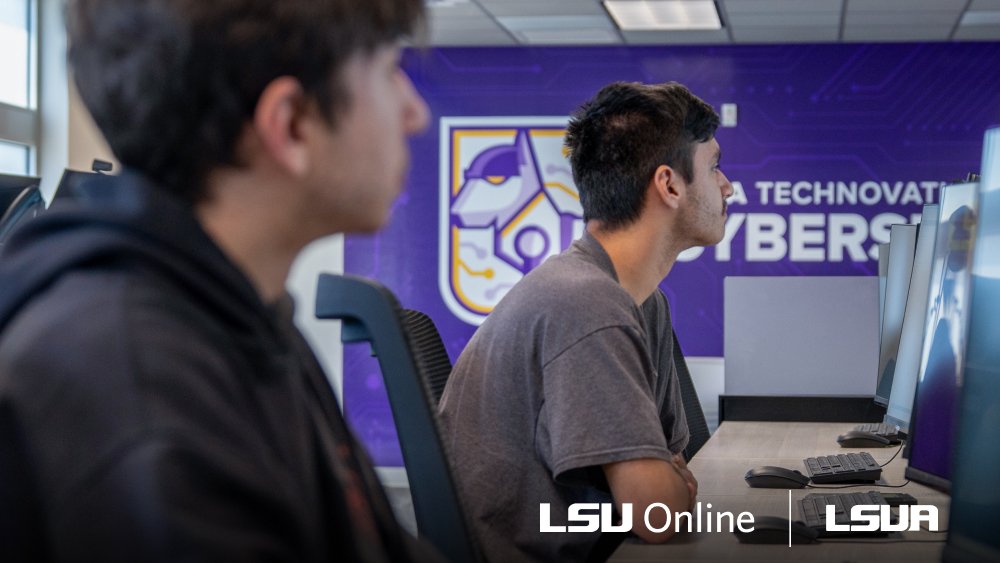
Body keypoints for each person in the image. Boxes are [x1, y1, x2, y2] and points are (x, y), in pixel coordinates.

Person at [0, 1, 435, 561]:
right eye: (389, 72)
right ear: (292, 124)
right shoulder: (143, 396)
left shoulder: (240, 313)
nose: (415, 113)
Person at [438, 81, 734, 562]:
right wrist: (660, 483)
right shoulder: (585, 303)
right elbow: (659, 510)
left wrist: (661, 479)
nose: (727, 185)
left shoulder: (643, 302)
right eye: (714, 166)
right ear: (669, 185)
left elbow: (673, 462)